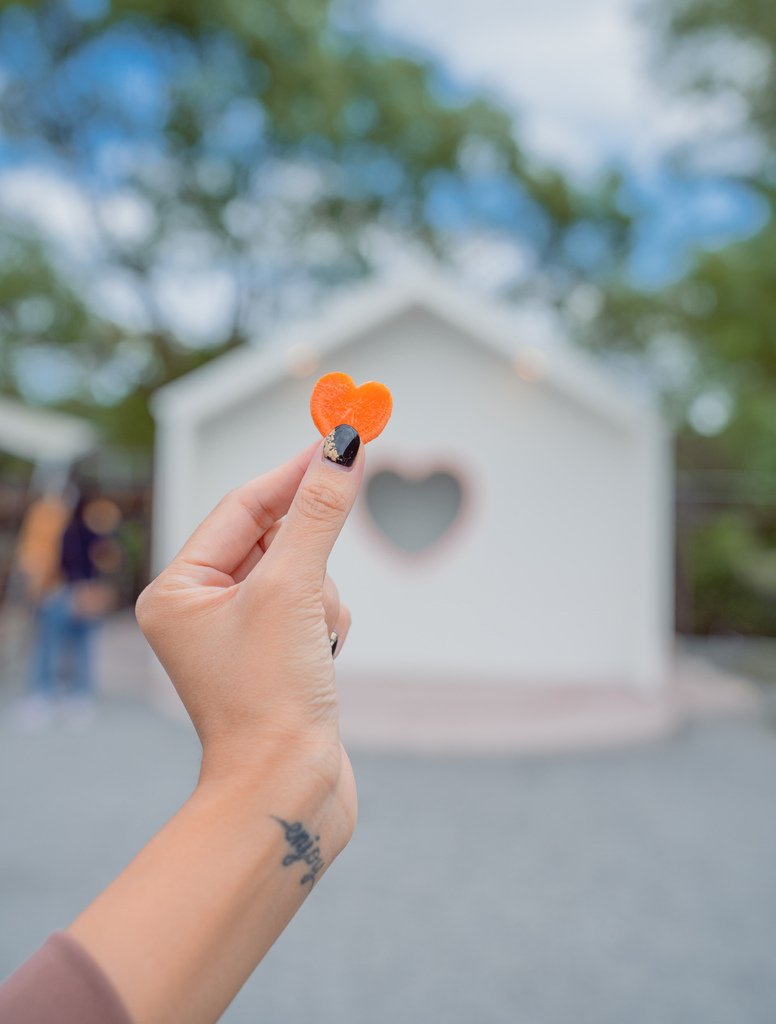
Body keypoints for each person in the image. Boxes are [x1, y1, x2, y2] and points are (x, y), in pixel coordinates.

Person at [0, 425, 363, 1024]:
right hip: (55, 593)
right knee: (50, 653)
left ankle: (67, 697)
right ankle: (51, 696)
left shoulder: (92, 512)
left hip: (73, 591)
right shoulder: (60, 512)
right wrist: (287, 764)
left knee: (73, 654)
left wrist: (289, 762)